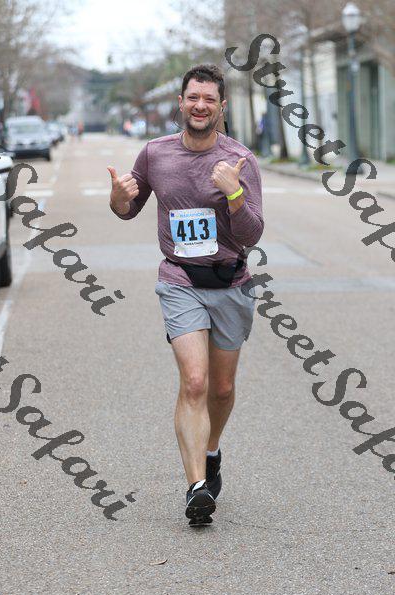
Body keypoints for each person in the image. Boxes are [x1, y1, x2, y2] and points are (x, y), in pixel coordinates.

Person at [108, 64, 264, 527]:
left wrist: (234, 194)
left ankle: (211, 451)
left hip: (231, 283)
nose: (200, 106)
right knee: (194, 381)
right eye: (193, 97)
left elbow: (251, 234)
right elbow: (127, 209)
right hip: (179, 280)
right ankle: (197, 486)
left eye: (209, 99)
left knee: (222, 388)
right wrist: (117, 197)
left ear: (221, 107)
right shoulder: (155, 153)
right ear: (180, 102)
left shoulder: (240, 159)